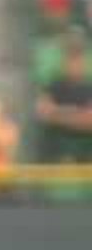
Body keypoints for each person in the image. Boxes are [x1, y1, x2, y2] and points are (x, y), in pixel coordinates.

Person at [35, 32, 92, 163]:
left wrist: (57, 113)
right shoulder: (54, 86)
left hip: (85, 157)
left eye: (78, 57)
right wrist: (78, 115)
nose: (74, 63)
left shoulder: (89, 88)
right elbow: (43, 112)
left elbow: (90, 121)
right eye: (71, 57)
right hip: (56, 155)